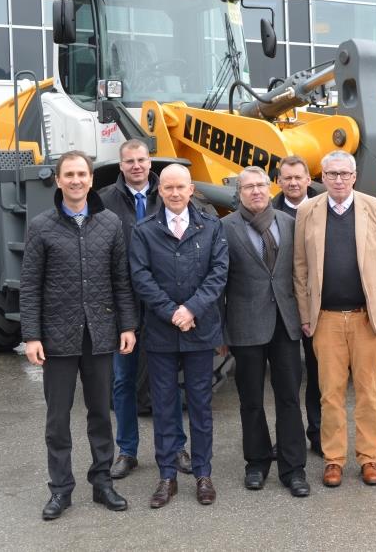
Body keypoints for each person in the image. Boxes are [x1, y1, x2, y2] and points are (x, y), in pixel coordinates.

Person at [20, 150, 138, 520]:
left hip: (100, 335)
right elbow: (30, 286)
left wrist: (127, 326)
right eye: (68, 174)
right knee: (57, 419)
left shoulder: (110, 224)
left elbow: (121, 281)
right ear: (58, 180)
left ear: (91, 180)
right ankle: (60, 490)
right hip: (57, 338)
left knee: (100, 413)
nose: (75, 180)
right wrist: (32, 336)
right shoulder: (41, 226)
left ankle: (102, 483)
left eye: (81, 174)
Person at [293, 150, 376, 488]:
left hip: (366, 318)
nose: (338, 180)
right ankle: (333, 460)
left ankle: (369, 458)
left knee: (368, 392)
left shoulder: (375, 208)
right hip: (325, 319)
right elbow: (300, 267)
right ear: (322, 177)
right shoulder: (307, 211)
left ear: (354, 177)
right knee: (330, 394)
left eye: (344, 174)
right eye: (332, 174)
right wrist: (305, 314)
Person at [129, 164, 228, 508]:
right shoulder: (144, 230)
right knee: (164, 406)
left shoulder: (211, 226)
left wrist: (191, 310)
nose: (174, 193)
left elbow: (219, 273)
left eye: (180, 187)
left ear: (191, 190)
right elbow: (140, 277)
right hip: (161, 332)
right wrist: (172, 312)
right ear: (160, 191)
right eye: (168, 187)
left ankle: (203, 474)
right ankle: (167, 476)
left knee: (200, 405)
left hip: (200, 330)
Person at [99, 139, 193, 480]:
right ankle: (127, 451)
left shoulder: (167, 193)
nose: (136, 166)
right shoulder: (104, 201)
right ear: (121, 165)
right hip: (123, 303)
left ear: (149, 162)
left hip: (162, 302)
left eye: (141, 159)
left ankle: (175, 446)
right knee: (123, 380)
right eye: (129, 161)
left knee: (167, 380)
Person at [223, 166, 310, 498]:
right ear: (240, 193)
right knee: (251, 400)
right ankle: (256, 463)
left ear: (269, 187)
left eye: (261, 185)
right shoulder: (225, 227)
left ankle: (293, 468)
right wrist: (220, 331)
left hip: (285, 323)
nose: (256, 191)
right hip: (244, 324)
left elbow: (301, 272)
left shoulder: (289, 223)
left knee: (289, 398)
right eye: (249, 187)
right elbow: (219, 281)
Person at [272, 155, 322, 456]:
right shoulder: (268, 212)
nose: (292, 183)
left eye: (298, 177)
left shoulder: (323, 208)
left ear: (308, 180)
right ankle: (288, 436)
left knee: (319, 374)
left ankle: (318, 433)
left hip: (317, 304)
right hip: (282, 307)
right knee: (286, 379)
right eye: (287, 178)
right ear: (279, 181)